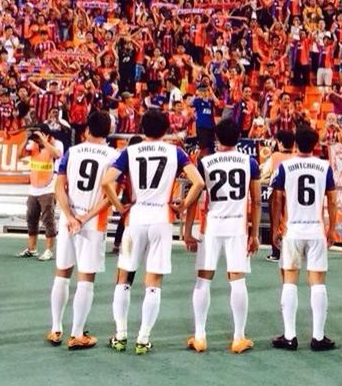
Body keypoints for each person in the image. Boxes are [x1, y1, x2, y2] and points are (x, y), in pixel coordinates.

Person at [100, 109, 204, 354]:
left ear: (141, 128)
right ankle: (143, 339)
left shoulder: (130, 151)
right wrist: (184, 205)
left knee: (124, 276)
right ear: (166, 128)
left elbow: (106, 181)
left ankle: (121, 335)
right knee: (154, 281)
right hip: (161, 218)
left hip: (135, 217)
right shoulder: (175, 152)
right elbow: (198, 182)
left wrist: (119, 207)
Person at [181, 118, 261, 353]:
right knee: (237, 280)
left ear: (216, 138)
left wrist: (187, 231)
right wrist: (254, 234)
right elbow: (256, 201)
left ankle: (200, 336)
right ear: (239, 138)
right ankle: (238, 337)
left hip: (212, 226)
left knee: (203, 279)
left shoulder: (205, 161)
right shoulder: (250, 162)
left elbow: (194, 196)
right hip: (237, 226)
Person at [47, 111, 119, 350]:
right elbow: (110, 195)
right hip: (92, 222)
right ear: (108, 131)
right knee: (86, 278)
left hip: (68, 220)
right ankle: (77, 333)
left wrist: (69, 216)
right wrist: (84, 217)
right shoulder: (113, 156)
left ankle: (56, 328)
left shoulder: (72, 151)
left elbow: (59, 186)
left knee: (62, 274)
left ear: (87, 130)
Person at [270, 125, 338, 351]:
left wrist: (276, 227)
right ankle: (318, 337)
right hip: (316, 230)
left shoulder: (285, 167)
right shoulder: (324, 167)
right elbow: (332, 200)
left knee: (290, 280)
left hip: (293, 230)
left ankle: (290, 336)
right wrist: (331, 229)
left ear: (296, 144)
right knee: (317, 282)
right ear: (316, 145)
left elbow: (277, 199)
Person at [18, 127, 65, 260]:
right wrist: (25, 139)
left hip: (48, 188)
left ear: (47, 135)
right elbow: (20, 156)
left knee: (48, 220)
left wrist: (44, 141)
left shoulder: (56, 143)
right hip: (34, 188)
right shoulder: (33, 144)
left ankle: (49, 250)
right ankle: (32, 249)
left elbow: (57, 155)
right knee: (31, 218)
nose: (37, 139)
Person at [260, 129, 297, 261]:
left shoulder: (275, 157)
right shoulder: (297, 157)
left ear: (280, 143)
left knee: (275, 223)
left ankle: (276, 252)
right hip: (293, 195)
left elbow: (264, 173)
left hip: (276, 195)